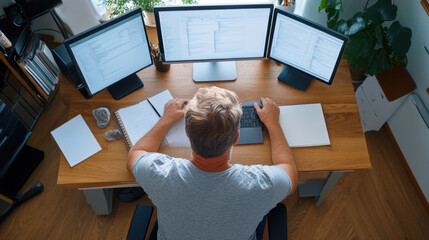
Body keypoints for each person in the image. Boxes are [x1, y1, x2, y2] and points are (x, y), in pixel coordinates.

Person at [128, 86, 297, 240]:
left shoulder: (160, 174)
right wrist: (273, 123)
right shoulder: (261, 185)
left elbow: (135, 155)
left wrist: (166, 119)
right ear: (236, 138)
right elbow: (288, 170)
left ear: (187, 133)